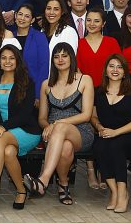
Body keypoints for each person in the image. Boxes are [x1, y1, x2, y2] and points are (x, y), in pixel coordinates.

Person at [25, 42, 95, 206]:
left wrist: (57, 123)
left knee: (62, 129)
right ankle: (63, 185)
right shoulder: (46, 84)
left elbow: (86, 115)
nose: (60, 59)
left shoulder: (85, 80)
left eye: (64, 56)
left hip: (81, 131)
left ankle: (43, 180)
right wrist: (48, 126)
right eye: (56, 57)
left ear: (72, 58)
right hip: (53, 134)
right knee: (66, 147)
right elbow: (42, 118)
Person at [0, 45, 41, 209]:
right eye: (4, 58)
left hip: (27, 130)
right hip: (4, 130)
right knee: (8, 152)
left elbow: (25, 114)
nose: (7, 61)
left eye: (11, 58)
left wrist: (3, 127)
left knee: (1, 137)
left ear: (18, 61)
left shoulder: (27, 82)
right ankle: (21, 191)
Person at [90, 54, 131, 213]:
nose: (115, 70)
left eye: (120, 67)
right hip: (108, 133)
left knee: (116, 145)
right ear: (106, 70)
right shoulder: (98, 92)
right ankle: (114, 192)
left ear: (125, 72)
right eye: (112, 66)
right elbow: (93, 116)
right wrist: (99, 127)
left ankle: (123, 193)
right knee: (99, 147)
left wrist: (116, 132)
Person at [75, 8, 122, 190]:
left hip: (108, 92)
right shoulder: (79, 43)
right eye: (89, 20)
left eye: (96, 21)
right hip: (86, 92)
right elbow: (77, 70)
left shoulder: (111, 42)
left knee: (105, 128)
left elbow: (118, 66)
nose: (92, 24)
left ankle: (105, 170)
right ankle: (90, 170)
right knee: (89, 129)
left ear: (103, 23)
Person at [12, 4, 49, 95]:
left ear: (32, 20)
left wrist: (38, 94)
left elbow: (44, 66)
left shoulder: (39, 37)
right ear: (15, 15)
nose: (22, 18)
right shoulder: (10, 37)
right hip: (12, 88)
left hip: (33, 88)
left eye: (27, 16)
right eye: (20, 14)